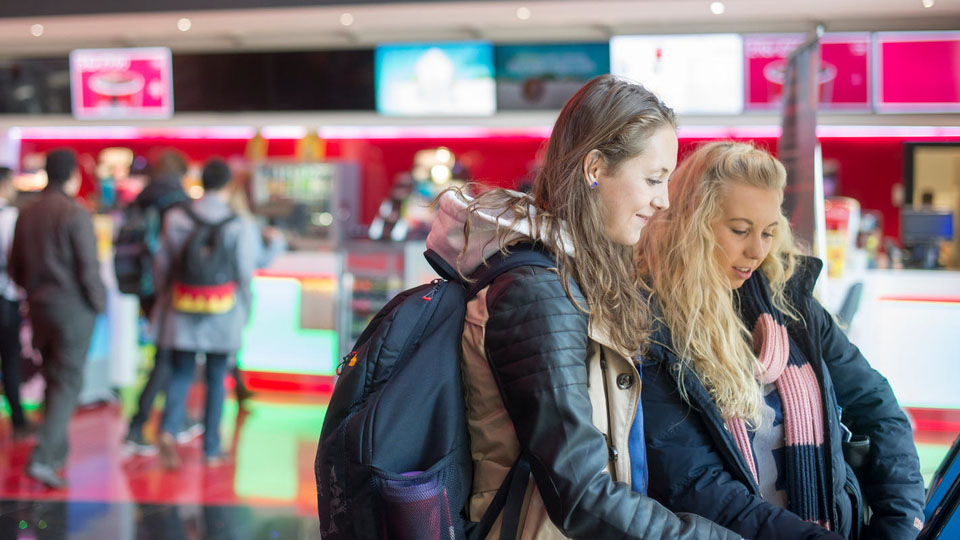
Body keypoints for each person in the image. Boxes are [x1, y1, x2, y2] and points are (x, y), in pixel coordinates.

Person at [425, 75, 738, 538]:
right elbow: (581, 493)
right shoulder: (538, 294)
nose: (664, 199)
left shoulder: (574, 274)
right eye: (653, 179)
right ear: (595, 168)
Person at [636, 142, 925, 539]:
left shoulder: (791, 304)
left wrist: (898, 528)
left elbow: (880, 411)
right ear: (691, 224)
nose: (756, 251)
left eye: (769, 232)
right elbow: (697, 485)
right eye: (739, 230)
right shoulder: (652, 323)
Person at [151, 158, 257, 468]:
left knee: (182, 371)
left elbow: (162, 264)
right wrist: (246, 310)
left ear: (201, 182)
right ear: (227, 185)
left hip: (181, 304)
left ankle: (168, 430)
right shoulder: (240, 223)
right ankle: (211, 449)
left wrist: (165, 298)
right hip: (222, 309)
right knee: (215, 376)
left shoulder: (176, 217)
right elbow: (244, 272)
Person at [10, 149, 106, 488]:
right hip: (72, 309)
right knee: (68, 381)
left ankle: (56, 453)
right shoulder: (74, 214)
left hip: (38, 307)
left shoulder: (27, 213)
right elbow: (88, 269)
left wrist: (36, 292)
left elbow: (15, 268)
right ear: (73, 176)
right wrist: (99, 304)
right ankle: (44, 458)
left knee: (55, 377)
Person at [123, 150, 194, 455]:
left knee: (169, 355)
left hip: (144, 286)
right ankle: (138, 425)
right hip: (170, 289)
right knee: (168, 357)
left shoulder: (140, 198)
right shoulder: (179, 202)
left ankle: (176, 418)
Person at [0, 166, 33, 440]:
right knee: (9, 359)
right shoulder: (11, 217)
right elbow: (18, 260)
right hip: (5, 298)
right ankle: (19, 421)